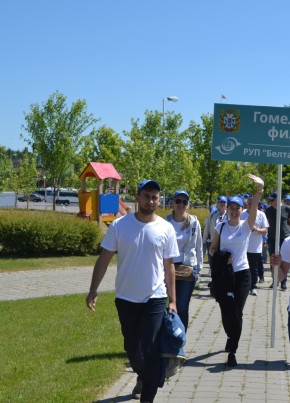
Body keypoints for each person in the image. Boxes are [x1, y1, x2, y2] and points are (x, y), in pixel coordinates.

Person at [86, 179, 179, 403]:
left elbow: (169, 267)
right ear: (137, 198)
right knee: (132, 348)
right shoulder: (119, 226)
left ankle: (148, 394)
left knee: (150, 349)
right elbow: (104, 259)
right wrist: (93, 290)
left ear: (159, 199)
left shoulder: (166, 228)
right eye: (146, 196)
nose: (151, 200)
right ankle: (146, 375)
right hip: (126, 298)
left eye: (155, 196)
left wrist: (173, 301)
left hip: (155, 298)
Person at [209, 174, 264, 367]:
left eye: (237, 208)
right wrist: (222, 257)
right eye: (231, 208)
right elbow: (212, 248)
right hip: (225, 275)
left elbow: (255, 208)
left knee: (237, 312)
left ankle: (232, 350)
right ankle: (230, 335)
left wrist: (259, 191)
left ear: (242, 210)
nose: (233, 211)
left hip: (242, 274)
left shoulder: (246, 226)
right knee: (226, 312)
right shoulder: (220, 227)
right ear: (228, 209)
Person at [166, 190, 203, 331]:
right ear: (172, 204)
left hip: (187, 268)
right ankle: (168, 335)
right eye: (178, 201)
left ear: (187, 205)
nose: (181, 204)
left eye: (184, 202)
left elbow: (199, 246)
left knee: (182, 306)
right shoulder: (165, 222)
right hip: (168, 267)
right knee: (168, 305)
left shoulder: (193, 223)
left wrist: (198, 269)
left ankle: (180, 338)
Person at [241, 196, 269, 295]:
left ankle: (253, 287)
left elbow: (265, 229)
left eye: (253, 204)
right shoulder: (242, 214)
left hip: (255, 247)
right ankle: (244, 286)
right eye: (248, 204)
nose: (250, 206)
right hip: (242, 247)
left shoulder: (261, 215)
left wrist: (257, 229)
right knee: (244, 268)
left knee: (253, 268)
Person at [265, 192, 290, 291]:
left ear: (278, 199)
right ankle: (275, 280)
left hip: (284, 238)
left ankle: (283, 282)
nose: (270, 202)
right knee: (273, 260)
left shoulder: (286, 208)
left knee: (283, 260)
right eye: (269, 200)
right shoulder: (268, 210)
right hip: (272, 238)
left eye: (272, 200)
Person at [203, 195, 228, 272]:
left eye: (224, 202)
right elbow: (207, 227)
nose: (222, 204)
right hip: (212, 242)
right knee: (212, 262)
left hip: (224, 243)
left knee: (223, 262)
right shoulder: (213, 214)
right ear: (217, 203)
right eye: (220, 202)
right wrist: (204, 240)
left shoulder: (229, 215)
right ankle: (214, 279)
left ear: (226, 204)